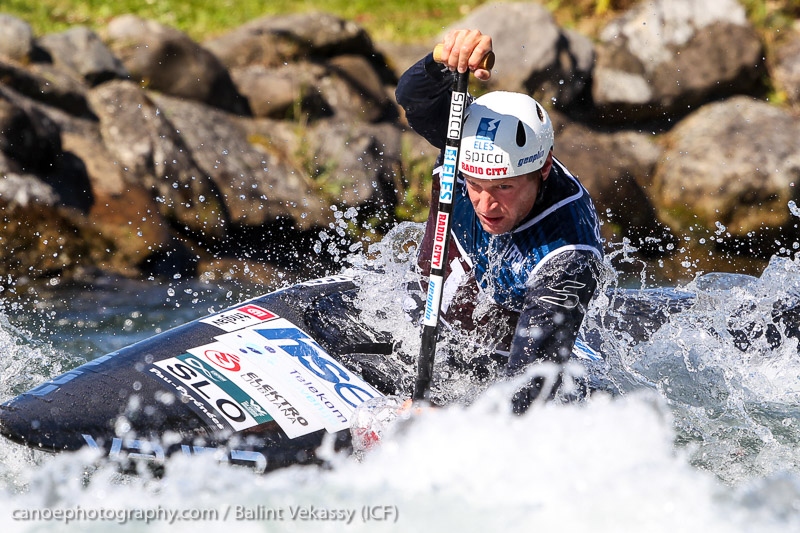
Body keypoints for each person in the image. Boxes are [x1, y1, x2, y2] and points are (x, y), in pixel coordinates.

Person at [395, 29, 604, 412]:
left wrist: (444, 424)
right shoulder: (460, 140)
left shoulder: (568, 255)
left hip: (501, 350)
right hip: (433, 315)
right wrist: (444, 61)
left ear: (542, 169)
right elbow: (413, 96)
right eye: (474, 184)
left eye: (504, 187)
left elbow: (525, 392)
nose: (485, 204)